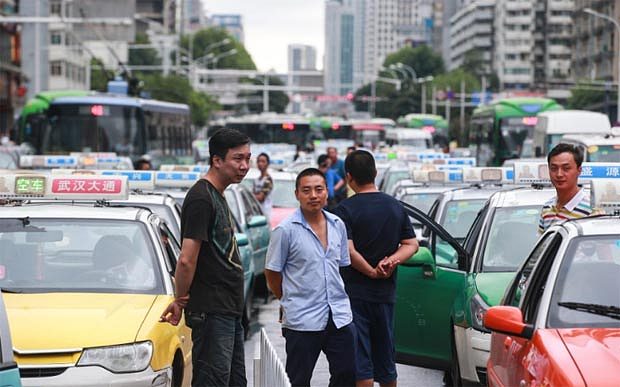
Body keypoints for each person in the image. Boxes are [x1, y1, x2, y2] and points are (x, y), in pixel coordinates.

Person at [160, 128, 251, 387]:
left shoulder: (218, 195)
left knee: (234, 382)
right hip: (212, 310)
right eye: (237, 158)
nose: (244, 166)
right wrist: (179, 299)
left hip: (228, 308)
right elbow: (186, 259)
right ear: (217, 160)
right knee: (212, 381)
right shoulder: (201, 198)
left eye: (247, 158)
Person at [332, 150, 418, 387]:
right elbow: (411, 245)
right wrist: (391, 261)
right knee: (387, 364)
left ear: (349, 177)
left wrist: (370, 271)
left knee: (362, 366)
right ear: (375, 173)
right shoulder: (395, 206)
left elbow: (348, 251)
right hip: (386, 296)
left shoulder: (344, 210)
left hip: (355, 297)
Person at [264, 167, 356, 387]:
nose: (313, 195)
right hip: (302, 320)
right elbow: (272, 272)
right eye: (306, 190)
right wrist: (286, 299)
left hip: (339, 316)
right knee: (298, 380)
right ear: (297, 194)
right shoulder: (285, 230)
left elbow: (342, 266)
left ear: (326, 192)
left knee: (347, 375)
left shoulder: (337, 225)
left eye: (319, 189)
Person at [538, 143, 604, 235]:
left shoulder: (593, 210)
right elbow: (544, 247)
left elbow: (603, 247)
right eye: (554, 168)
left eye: (566, 168)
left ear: (579, 170)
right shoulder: (547, 208)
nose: (559, 174)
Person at [253, 152, 274, 220]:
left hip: (265, 213)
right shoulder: (256, 180)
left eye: (263, 161)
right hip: (256, 213)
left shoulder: (268, 180)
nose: (260, 163)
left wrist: (248, 196)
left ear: (267, 163)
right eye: (258, 161)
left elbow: (261, 198)